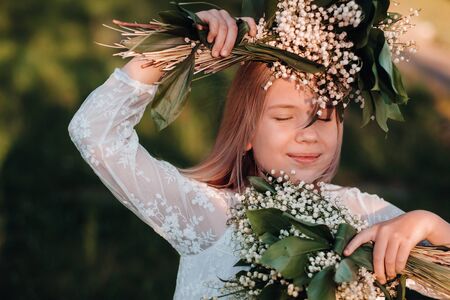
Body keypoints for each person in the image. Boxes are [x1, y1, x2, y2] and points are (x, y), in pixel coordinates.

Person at [68, 8, 450, 299]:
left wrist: (430, 226)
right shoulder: (208, 212)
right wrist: (178, 48)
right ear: (247, 131)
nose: (309, 136)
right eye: (284, 117)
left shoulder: (363, 216)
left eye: (325, 117)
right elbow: (95, 135)